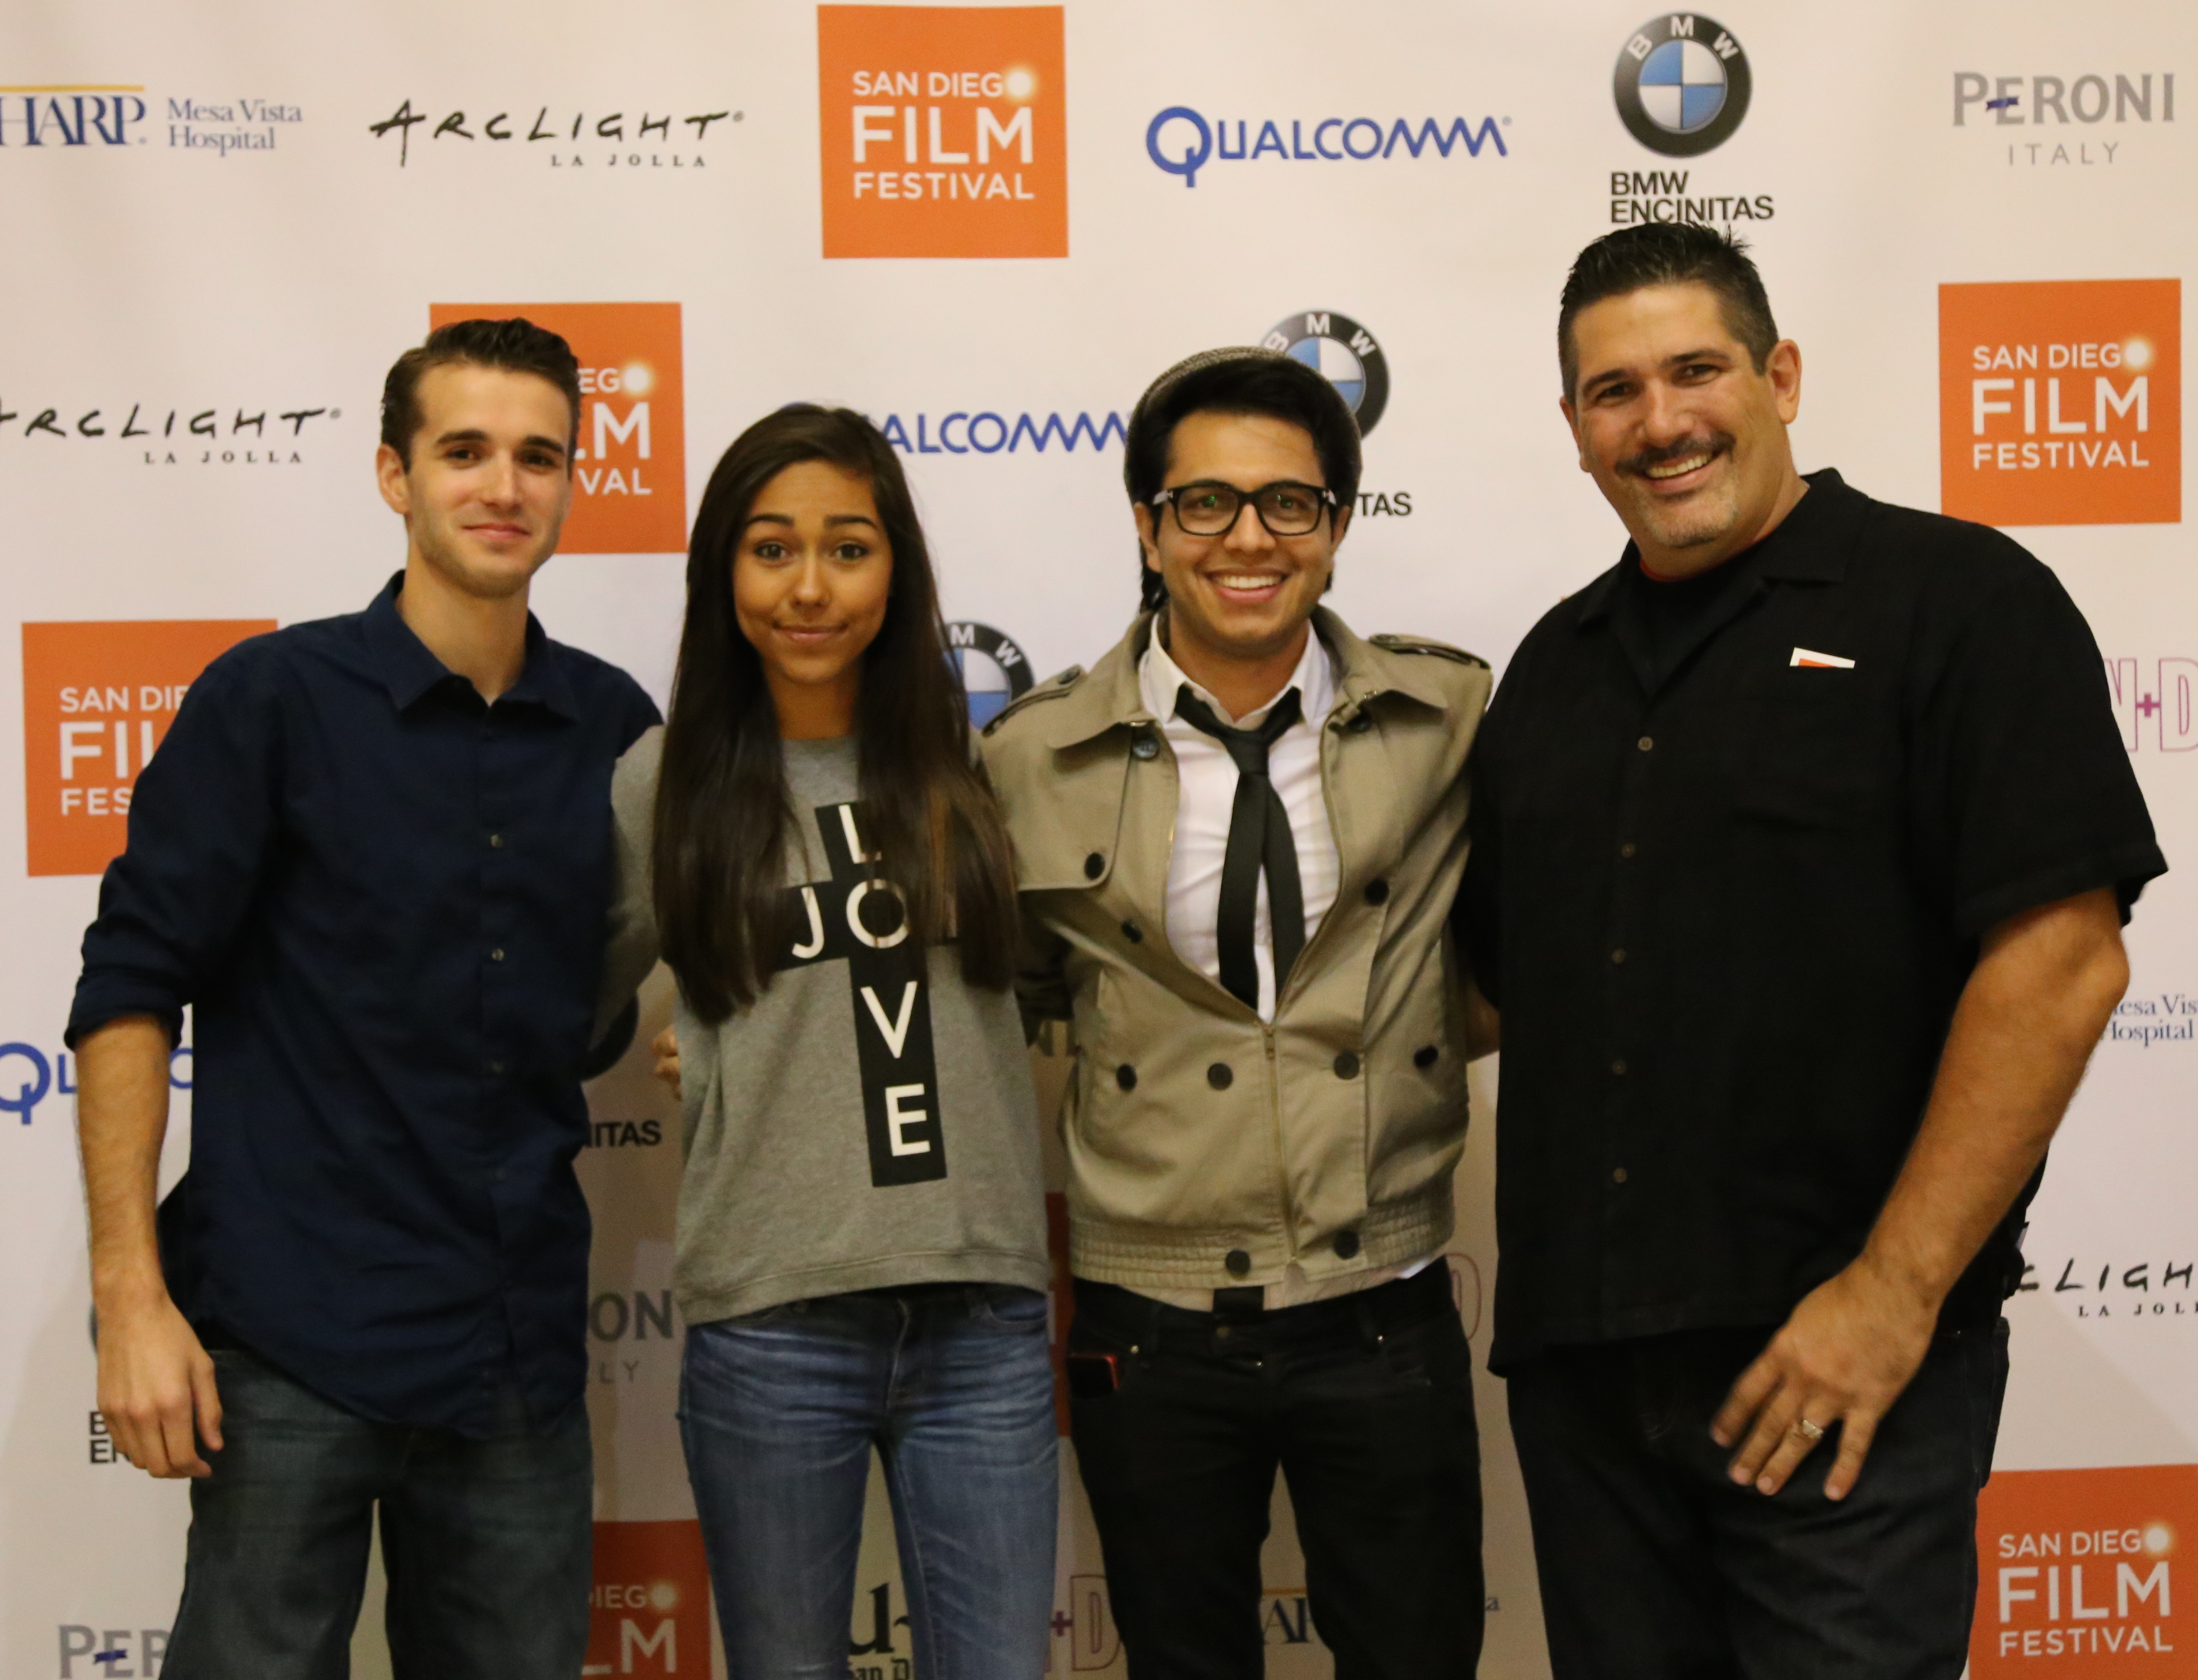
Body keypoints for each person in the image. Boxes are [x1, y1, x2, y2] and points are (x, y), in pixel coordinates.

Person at [1458, 224, 2166, 1679]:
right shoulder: (1550, 667)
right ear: (1572, 427)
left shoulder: (1954, 601)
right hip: (1587, 1386)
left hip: (1840, 1375)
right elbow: (1486, 992)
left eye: (1694, 370)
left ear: (1777, 373)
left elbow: (2060, 961)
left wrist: (1887, 1295)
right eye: (1611, 392)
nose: (1658, 422)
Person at [69, 317, 661, 1677]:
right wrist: (131, 1294)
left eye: (536, 455)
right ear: (393, 475)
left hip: (516, 1355)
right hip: (287, 1346)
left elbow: (614, 1001)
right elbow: (129, 983)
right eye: (463, 451)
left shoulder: (618, 727)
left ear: (573, 479)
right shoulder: (271, 700)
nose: (502, 486)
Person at [979, 347, 1491, 1679]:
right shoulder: (1030, 757)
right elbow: (1022, 994)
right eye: (1202, 504)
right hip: (1146, 1329)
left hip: (1380, 1306)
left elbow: (1521, 948)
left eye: (1289, 504)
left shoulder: (1445, 719)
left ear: (1335, 525)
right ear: (1147, 527)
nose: (1246, 538)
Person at [598, 405, 1057, 1680]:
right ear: (723, 573)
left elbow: (1060, 979)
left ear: (896, 568)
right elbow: (569, 1015)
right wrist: (704, 1038)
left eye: (849, 548)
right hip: (772, 1319)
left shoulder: (980, 760)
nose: (810, 588)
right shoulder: (664, 778)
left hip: (980, 1312)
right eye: (772, 549)